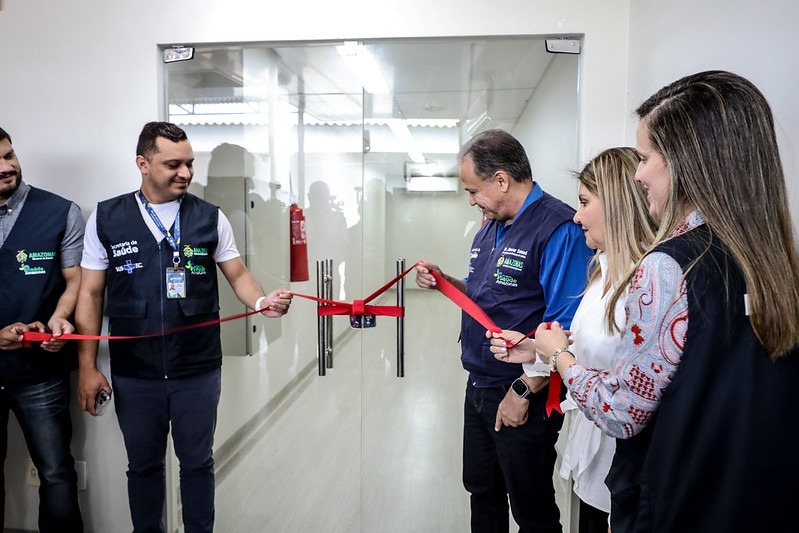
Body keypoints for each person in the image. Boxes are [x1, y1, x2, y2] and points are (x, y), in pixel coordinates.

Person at [492, 71, 799, 532]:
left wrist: (557, 357)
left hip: (679, 496)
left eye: (645, 157)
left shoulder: (668, 266)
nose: (638, 174)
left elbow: (622, 412)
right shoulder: (769, 260)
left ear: (685, 160)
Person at [75, 122, 293, 533]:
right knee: (143, 467)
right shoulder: (107, 217)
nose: (186, 173)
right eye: (173, 164)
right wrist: (87, 367)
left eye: (190, 163)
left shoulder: (210, 218)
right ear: (143, 164)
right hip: (135, 371)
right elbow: (89, 294)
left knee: (197, 464)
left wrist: (262, 302)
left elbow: (239, 275)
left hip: (197, 368)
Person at [415, 129, 593, 532]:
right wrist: (447, 282)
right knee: (482, 490)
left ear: (501, 180)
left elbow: (566, 326)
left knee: (531, 510)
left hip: (521, 389)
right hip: (479, 383)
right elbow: (487, 293)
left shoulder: (558, 228)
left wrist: (522, 390)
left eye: (473, 190)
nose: (471, 200)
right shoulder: (490, 225)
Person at [491, 147, 656, 532]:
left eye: (584, 202)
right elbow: (588, 346)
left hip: (624, 457)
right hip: (593, 453)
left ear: (616, 204)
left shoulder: (648, 281)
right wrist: (534, 349)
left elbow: (631, 378)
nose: (577, 216)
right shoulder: (601, 270)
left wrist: (556, 355)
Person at [0, 126, 84, 532]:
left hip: (40, 372)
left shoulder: (60, 211)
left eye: (9, 155)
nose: (6, 167)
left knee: (56, 471)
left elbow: (75, 280)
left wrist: (60, 318)